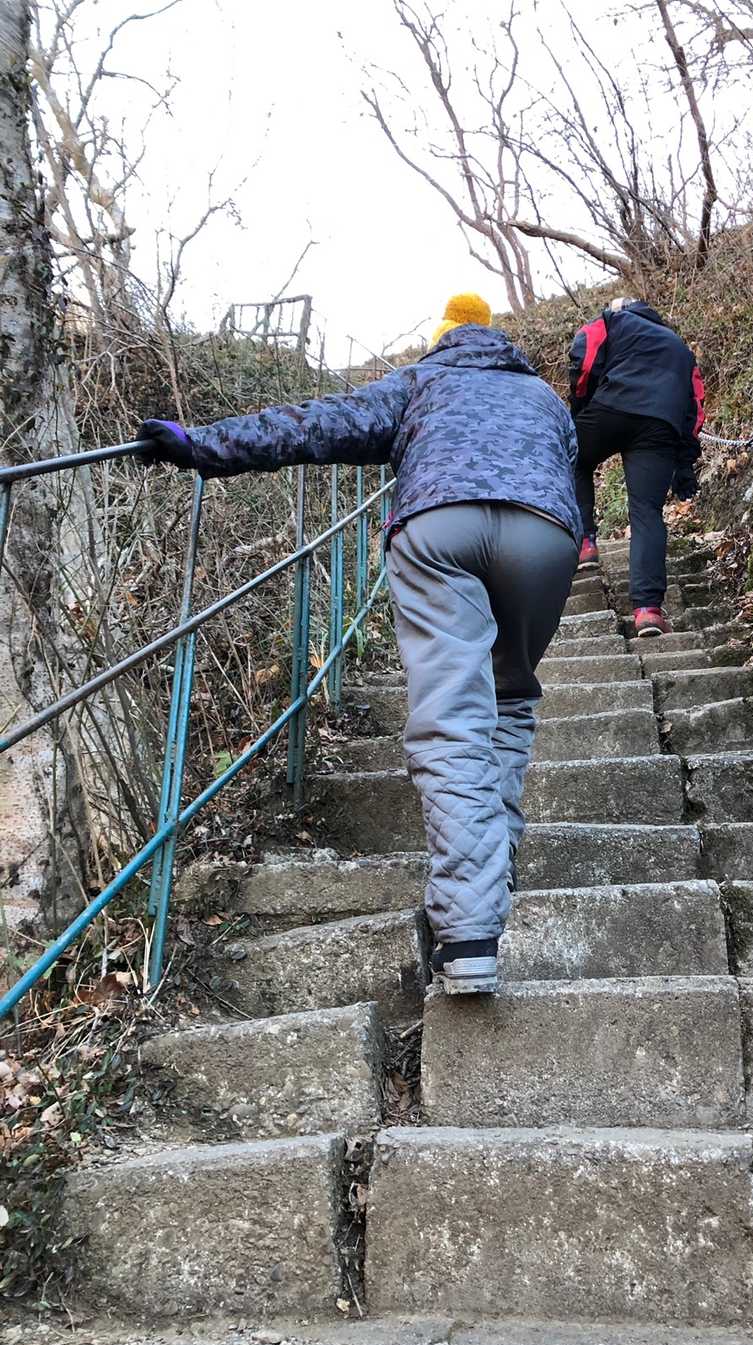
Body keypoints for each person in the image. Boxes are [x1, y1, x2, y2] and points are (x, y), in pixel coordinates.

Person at [136, 292, 580, 996]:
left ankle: (469, 933)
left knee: (453, 716)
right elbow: (569, 466)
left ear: (442, 339)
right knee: (509, 699)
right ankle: (488, 871)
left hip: (439, 530)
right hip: (544, 538)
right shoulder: (544, 396)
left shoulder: (421, 380)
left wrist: (204, 444)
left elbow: (319, 423)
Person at [569, 297, 704, 636]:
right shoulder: (681, 349)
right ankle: (647, 610)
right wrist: (684, 462)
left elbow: (584, 355)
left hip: (611, 407)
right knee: (646, 512)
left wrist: (581, 406)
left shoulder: (612, 320)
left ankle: (585, 542)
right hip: (659, 426)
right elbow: (694, 409)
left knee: (573, 457)